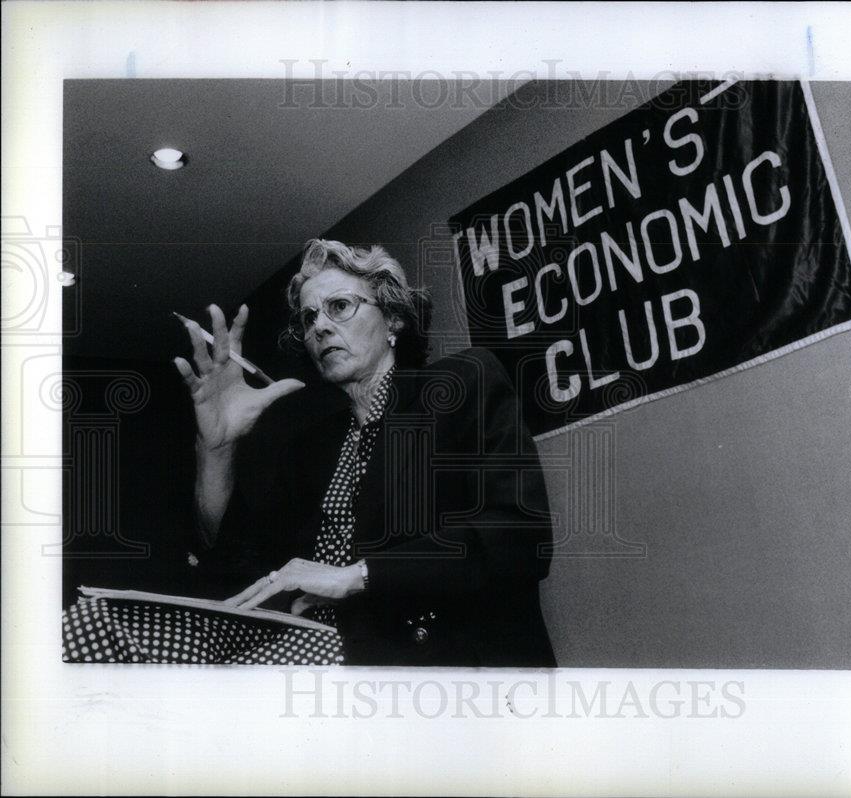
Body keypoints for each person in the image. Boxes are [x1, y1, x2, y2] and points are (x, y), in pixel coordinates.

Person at [62, 239, 556, 667]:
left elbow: (519, 535)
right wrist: (217, 446)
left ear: (394, 319)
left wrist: (354, 577)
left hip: (404, 642)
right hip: (295, 631)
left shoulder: (458, 384)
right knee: (89, 626)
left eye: (339, 307)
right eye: (309, 317)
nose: (319, 326)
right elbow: (231, 558)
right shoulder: (315, 444)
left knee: (216, 699)